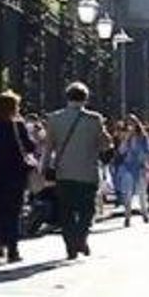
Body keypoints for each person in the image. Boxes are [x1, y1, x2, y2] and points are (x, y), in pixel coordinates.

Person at [45, 82, 111, 258]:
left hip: (63, 173)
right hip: (88, 173)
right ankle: (81, 237)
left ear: (67, 97)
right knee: (87, 210)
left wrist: (44, 168)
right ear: (86, 99)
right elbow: (106, 144)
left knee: (65, 211)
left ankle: (70, 245)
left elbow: (48, 148)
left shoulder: (54, 119)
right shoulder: (95, 119)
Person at [0, 90, 35, 263]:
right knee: (14, 211)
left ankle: (0, 241)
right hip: (16, 173)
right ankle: (13, 249)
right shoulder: (17, 126)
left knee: (0, 209)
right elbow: (30, 147)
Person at [116, 115, 149, 227]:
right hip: (128, 167)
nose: (130, 126)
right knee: (128, 193)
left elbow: (148, 152)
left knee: (142, 193)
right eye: (128, 124)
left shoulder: (143, 137)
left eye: (132, 123)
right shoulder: (126, 138)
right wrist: (126, 140)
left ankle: (144, 213)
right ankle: (127, 217)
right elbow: (121, 151)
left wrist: (147, 164)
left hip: (140, 167)